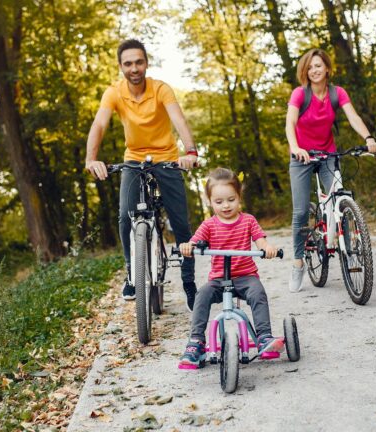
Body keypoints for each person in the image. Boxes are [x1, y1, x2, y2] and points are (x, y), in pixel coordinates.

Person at [85, 39, 198, 310]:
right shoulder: (114, 92)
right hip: (134, 159)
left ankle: (188, 280)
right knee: (126, 215)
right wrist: (91, 158)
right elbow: (99, 124)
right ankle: (132, 273)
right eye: (128, 63)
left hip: (166, 157)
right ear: (120, 66)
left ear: (146, 63)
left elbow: (178, 120)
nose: (134, 68)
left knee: (180, 222)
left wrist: (190, 152)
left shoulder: (161, 89)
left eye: (138, 62)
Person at [285, 48, 376, 293]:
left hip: (328, 154)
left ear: (327, 68)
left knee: (340, 197)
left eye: (318, 65)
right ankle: (298, 262)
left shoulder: (337, 93)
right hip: (302, 156)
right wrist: (295, 147)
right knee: (300, 212)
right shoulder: (300, 94)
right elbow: (290, 122)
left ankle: (346, 245)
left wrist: (368, 138)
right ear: (305, 71)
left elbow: (353, 117)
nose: (314, 70)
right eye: (309, 67)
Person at [177, 168, 285, 368]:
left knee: (258, 292)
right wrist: (188, 246)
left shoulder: (248, 220)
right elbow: (194, 242)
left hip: (246, 276)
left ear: (239, 197)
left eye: (231, 199)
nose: (226, 205)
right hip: (218, 280)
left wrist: (267, 248)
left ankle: (264, 337)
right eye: (219, 202)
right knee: (202, 295)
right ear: (210, 202)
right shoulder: (209, 225)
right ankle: (196, 342)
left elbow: (260, 240)